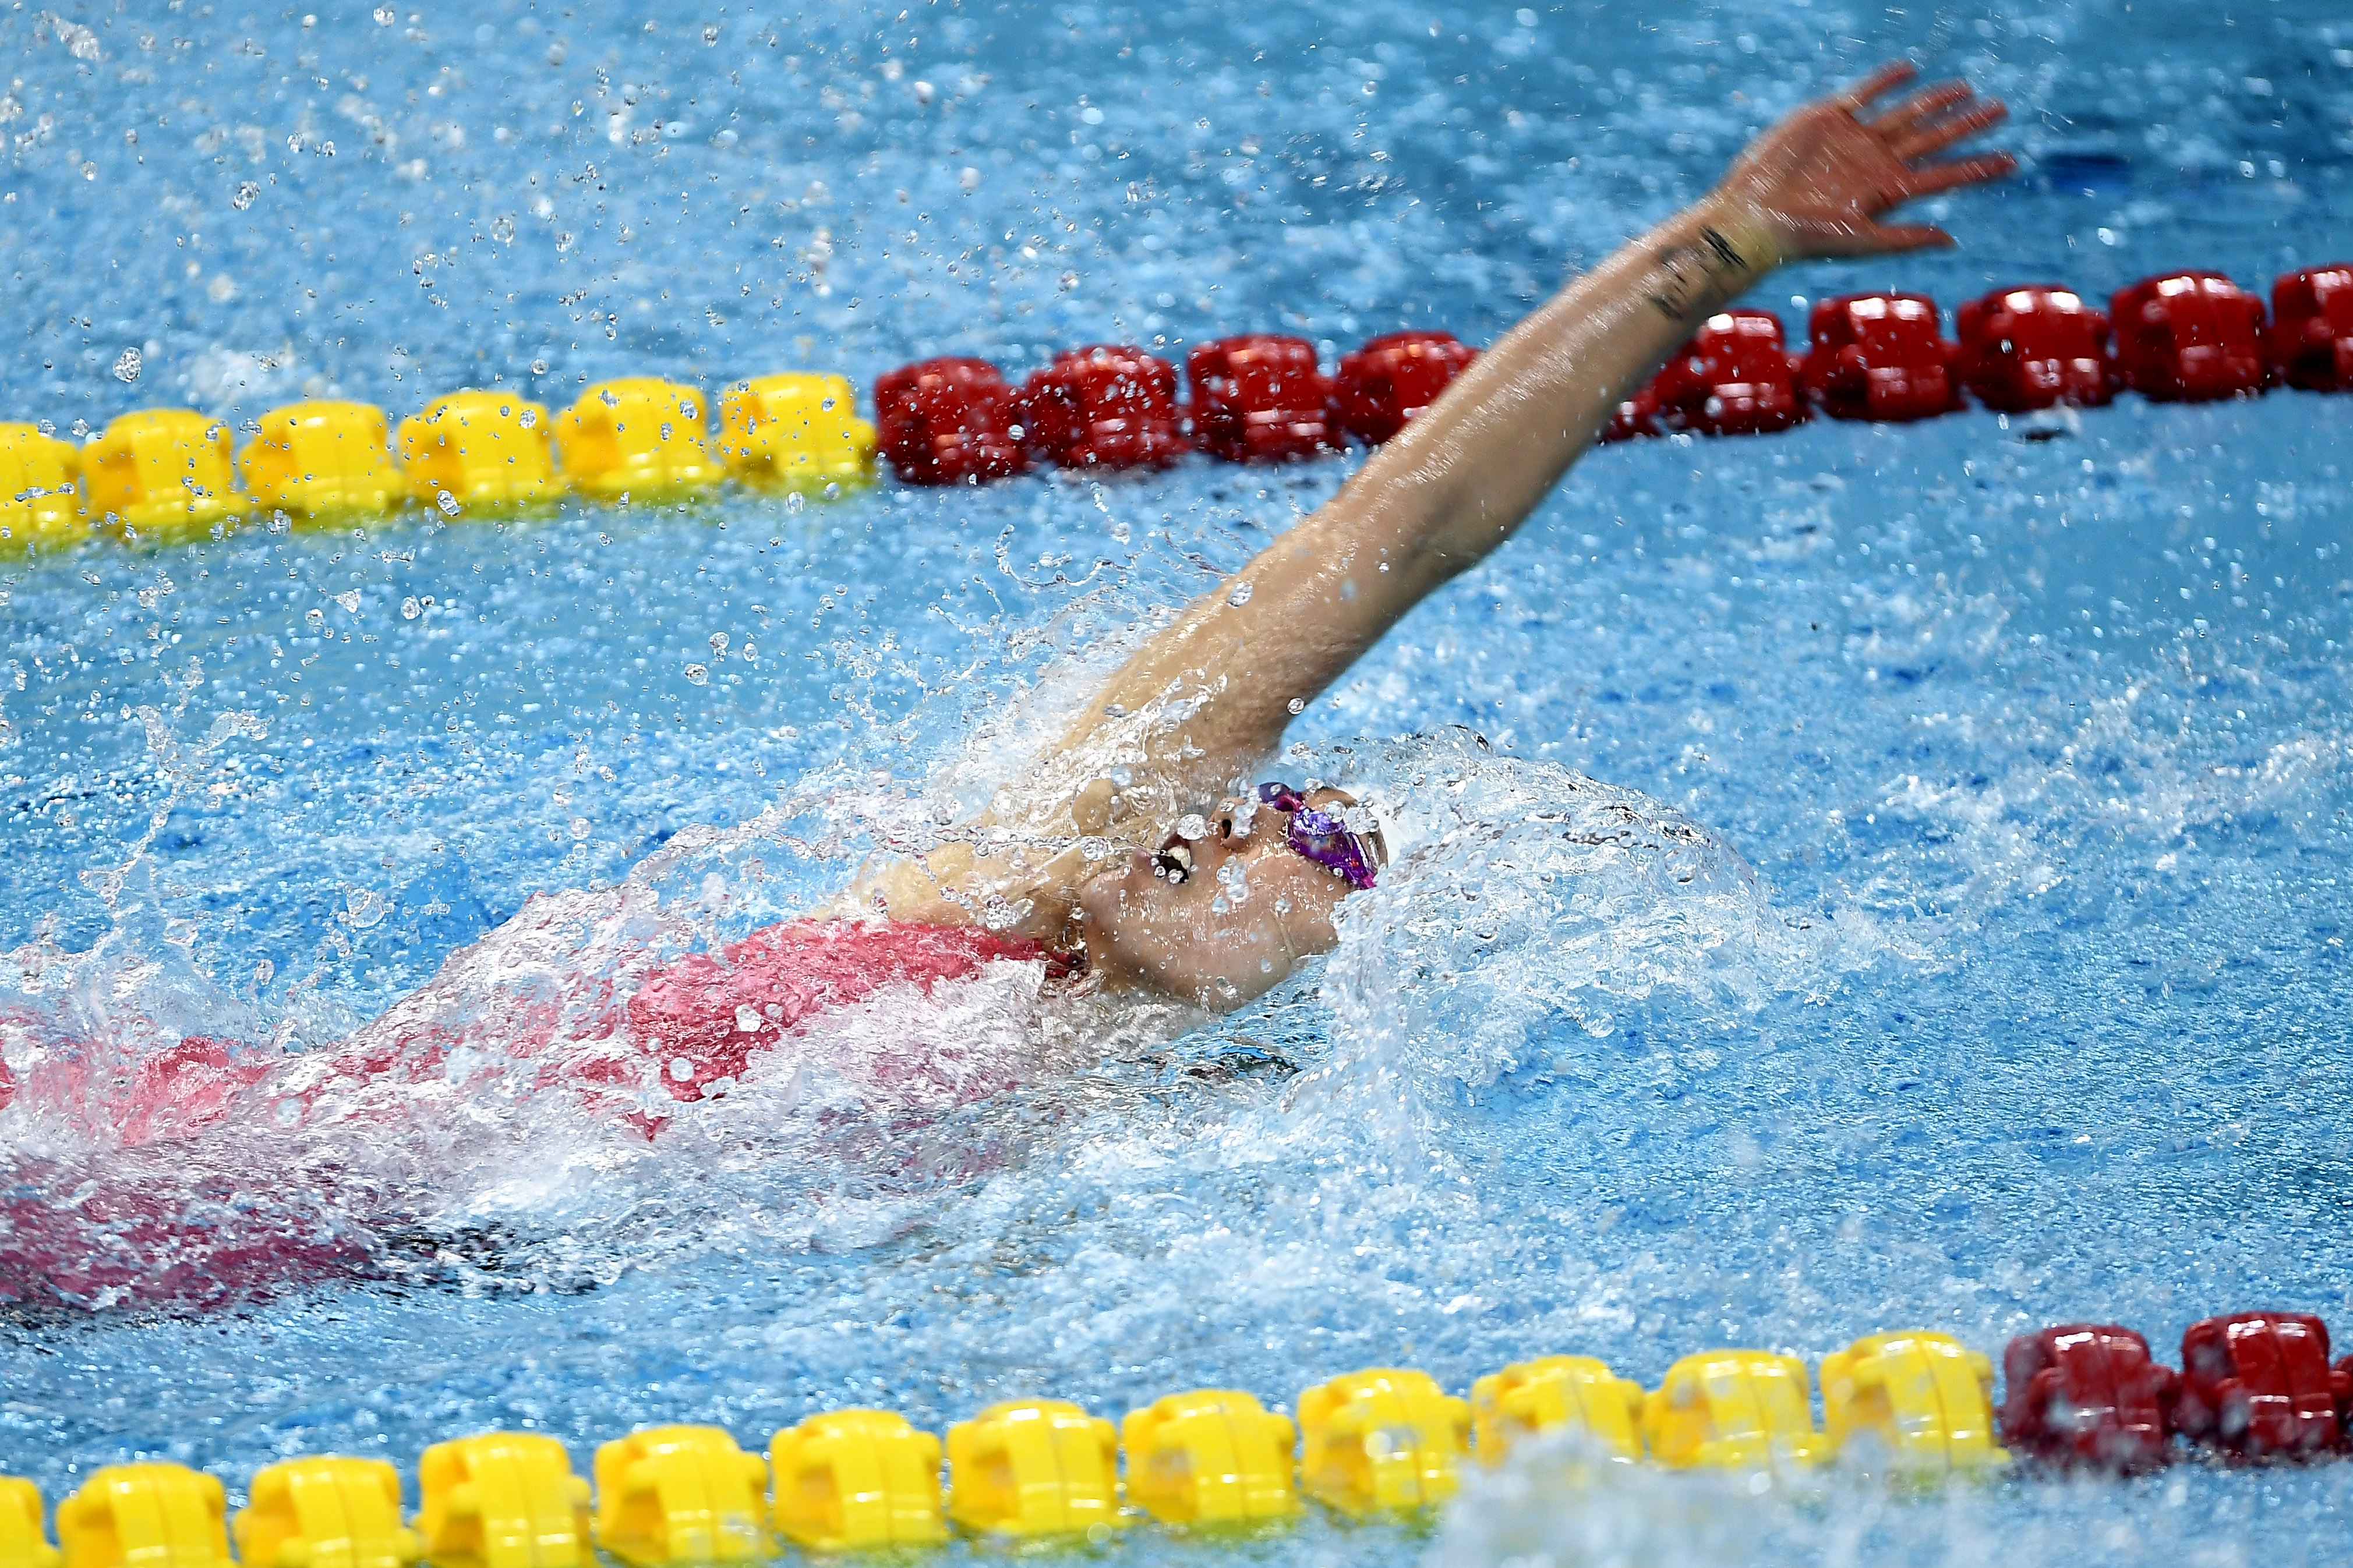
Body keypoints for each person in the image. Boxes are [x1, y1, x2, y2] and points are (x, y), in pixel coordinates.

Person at [842, 61, 2013, 1010]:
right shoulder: (998, 882)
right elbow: (1405, 525)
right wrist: (1728, 240)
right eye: (1280, 801)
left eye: (1316, 843)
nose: (1242, 816)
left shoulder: (1163, 1134)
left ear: (1325, 968)